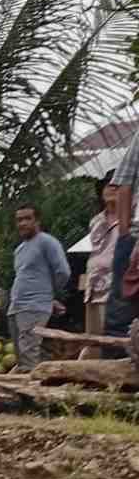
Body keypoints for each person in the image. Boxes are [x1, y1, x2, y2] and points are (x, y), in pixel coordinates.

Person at [8, 206, 70, 372]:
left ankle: (31, 396)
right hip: (16, 307)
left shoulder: (47, 242)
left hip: (34, 306)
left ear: (37, 221)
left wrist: (48, 295)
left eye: (27, 218)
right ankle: (23, 395)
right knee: (21, 357)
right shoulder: (19, 249)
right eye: (19, 219)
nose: (23, 223)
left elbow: (63, 272)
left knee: (29, 354)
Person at [81, 173, 120, 355]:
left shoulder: (133, 220)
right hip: (93, 287)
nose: (111, 188)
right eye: (107, 185)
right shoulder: (96, 221)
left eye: (116, 185)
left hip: (117, 287)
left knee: (115, 339)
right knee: (93, 340)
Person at [107, 129, 139, 336]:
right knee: (120, 316)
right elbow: (124, 183)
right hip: (135, 238)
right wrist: (125, 233)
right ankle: (113, 362)